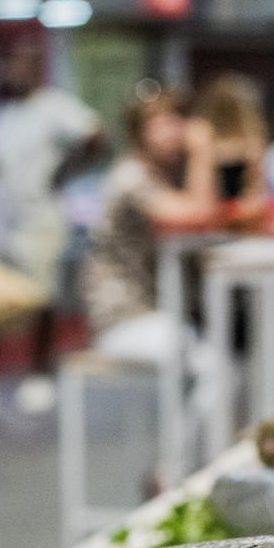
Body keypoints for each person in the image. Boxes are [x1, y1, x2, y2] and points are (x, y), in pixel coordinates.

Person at [0, 44, 104, 411]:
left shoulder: (55, 108)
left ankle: (40, 373)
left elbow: (96, 137)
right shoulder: (6, 114)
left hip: (42, 220)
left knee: (42, 297)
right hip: (6, 220)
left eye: (19, 66)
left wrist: (62, 173)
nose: (12, 74)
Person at [81, 89, 218, 367]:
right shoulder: (129, 176)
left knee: (233, 348)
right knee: (207, 362)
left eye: (175, 121)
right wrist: (203, 152)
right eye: (160, 125)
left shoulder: (165, 177)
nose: (173, 132)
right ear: (138, 133)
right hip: (125, 318)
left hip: (161, 314)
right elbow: (197, 215)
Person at [188, 74, 270, 225]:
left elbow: (257, 198)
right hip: (223, 216)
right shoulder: (200, 135)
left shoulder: (200, 134)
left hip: (228, 218)